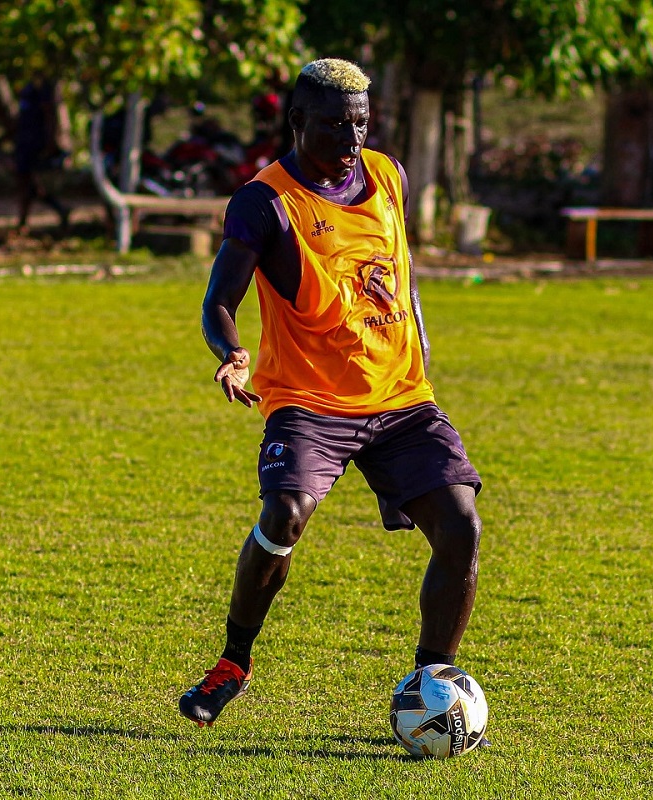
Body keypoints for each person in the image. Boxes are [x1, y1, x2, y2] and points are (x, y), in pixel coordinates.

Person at [180, 58, 484, 728]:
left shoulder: (388, 175)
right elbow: (217, 300)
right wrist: (231, 351)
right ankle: (233, 661)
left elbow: (401, 273)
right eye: (334, 125)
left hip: (401, 398)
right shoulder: (265, 202)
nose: (351, 139)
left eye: (361, 123)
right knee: (285, 513)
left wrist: (420, 353)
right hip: (309, 400)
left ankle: (430, 683)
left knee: (461, 528)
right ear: (297, 123)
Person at [11, 73, 70, 235]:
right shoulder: (27, 88)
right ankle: (24, 221)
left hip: (37, 143)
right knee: (26, 183)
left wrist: (50, 143)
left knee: (31, 183)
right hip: (24, 142)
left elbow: (49, 115)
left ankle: (57, 210)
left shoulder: (43, 88)